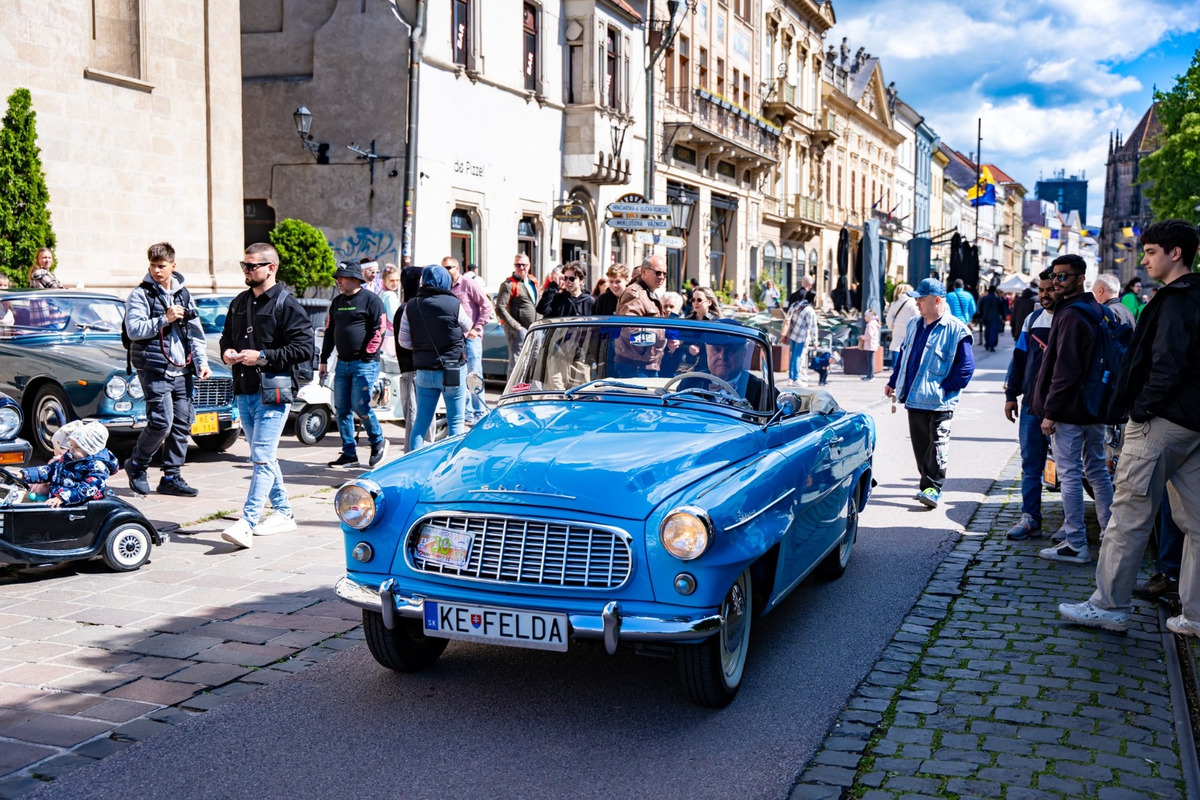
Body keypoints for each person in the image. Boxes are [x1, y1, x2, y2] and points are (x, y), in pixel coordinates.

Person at [1058, 219, 1200, 634]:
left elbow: (1166, 364)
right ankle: (1194, 614)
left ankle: (1108, 605)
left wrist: (1140, 411)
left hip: (1162, 423)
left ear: (1176, 253)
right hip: (1191, 424)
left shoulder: (1175, 300)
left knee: (1128, 516)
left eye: (1152, 251)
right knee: (1195, 522)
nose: (1144, 259)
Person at [219, 243, 315, 549]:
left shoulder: (288, 304)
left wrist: (261, 356)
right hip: (244, 390)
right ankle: (284, 512)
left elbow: (304, 349)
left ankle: (247, 522)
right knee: (264, 456)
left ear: (270, 268)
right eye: (243, 265)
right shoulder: (239, 302)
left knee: (260, 457)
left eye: (252, 266)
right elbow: (225, 337)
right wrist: (228, 352)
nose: (246, 271)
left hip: (274, 391)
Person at [1029, 254, 1114, 565]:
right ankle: (1110, 534)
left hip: (1071, 410)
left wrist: (1050, 412)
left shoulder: (1073, 315)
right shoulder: (1097, 310)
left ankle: (1075, 542)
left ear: (1081, 279)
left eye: (1063, 276)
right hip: (1094, 406)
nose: (1056, 282)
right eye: (1054, 276)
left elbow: (1066, 369)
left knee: (1070, 474)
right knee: (1097, 472)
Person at [123, 242, 211, 497]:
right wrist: (165, 318)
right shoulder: (140, 294)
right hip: (154, 368)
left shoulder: (184, 294)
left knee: (183, 423)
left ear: (173, 266)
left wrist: (202, 362)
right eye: (152, 265)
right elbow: (134, 330)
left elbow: (196, 333)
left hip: (181, 370)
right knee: (161, 423)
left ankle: (171, 477)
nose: (156, 271)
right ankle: (137, 465)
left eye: (161, 266)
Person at [885, 278, 975, 509]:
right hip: (914, 399)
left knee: (937, 447)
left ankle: (932, 488)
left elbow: (966, 368)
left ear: (936, 300)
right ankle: (926, 485)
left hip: (939, 403)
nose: (917, 304)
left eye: (921, 300)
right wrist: (893, 381)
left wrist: (944, 389)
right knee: (921, 447)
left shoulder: (956, 329)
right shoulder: (915, 324)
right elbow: (904, 357)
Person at [1003, 273, 1057, 540]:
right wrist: (1011, 394)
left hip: (1064, 407)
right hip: (1031, 405)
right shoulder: (1033, 319)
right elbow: (1019, 358)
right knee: (1031, 464)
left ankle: (1073, 527)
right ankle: (1030, 516)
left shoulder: (1071, 318)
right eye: (1041, 289)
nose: (1045, 294)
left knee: (1070, 469)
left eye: (1050, 289)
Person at [321, 261, 389, 470]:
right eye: (337, 278)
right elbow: (330, 332)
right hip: (342, 363)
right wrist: (324, 360)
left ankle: (378, 440)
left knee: (360, 405)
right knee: (341, 408)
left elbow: (380, 330)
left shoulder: (372, 300)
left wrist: (367, 356)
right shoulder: (336, 302)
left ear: (354, 278)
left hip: (364, 364)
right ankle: (349, 453)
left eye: (342, 277)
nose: (338, 281)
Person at [397, 265, 472, 449]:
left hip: (424, 372)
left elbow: (403, 341)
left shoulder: (411, 305)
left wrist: (423, 347)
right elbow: (468, 326)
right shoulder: (453, 303)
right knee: (456, 422)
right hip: (452, 370)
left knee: (421, 423)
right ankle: (454, 465)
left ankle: (413, 464)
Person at [19, 421, 117, 506]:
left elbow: (87, 489)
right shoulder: (70, 458)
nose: (71, 450)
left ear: (91, 448)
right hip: (62, 501)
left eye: (77, 447)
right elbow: (50, 470)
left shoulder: (97, 467)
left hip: (78, 507)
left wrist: (62, 498)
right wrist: (24, 474)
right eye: (71, 445)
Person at [444, 255, 493, 425]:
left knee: (474, 374)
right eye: (444, 268)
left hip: (470, 338)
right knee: (459, 376)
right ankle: (467, 413)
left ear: (457, 268)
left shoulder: (468, 284)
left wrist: (477, 328)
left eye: (449, 267)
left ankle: (480, 412)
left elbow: (486, 306)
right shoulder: (444, 287)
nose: (446, 271)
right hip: (454, 340)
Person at [394, 265, 432, 451]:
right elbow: (406, 342)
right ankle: (413, 459)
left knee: (423, 417)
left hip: (419, 369)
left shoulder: (413, 306)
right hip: (412, 370)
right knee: (415, 418)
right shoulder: (407, 309)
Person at [613, 254, 667, 377]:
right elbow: (630, 330)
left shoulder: (649, 293)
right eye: (658, 273)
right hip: (634, 365)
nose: (662, 277)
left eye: (664, 273)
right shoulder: (634, 293)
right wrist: (662, 333)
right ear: (643, 272)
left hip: (647, 364)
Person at [495, 254, 538, 371]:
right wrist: (516, 326)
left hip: (534, 328)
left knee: (536, 361)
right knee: (517, 364)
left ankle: (532, 389)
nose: (521, 267)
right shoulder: (508, 284)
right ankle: (514, 389)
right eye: (518, 265)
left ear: (529, 265)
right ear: (514, 266)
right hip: (518, 330)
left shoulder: (532, 281)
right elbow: (499, 308)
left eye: (524, 265)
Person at [783, 290, 817, 387]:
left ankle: (791, 378)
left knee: (793, 356)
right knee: (797, 356)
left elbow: (788, 316)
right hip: (801, 335)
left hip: (792, 333)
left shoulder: (795, 305)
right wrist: (815, 340)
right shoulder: (809, 310)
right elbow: (812, 326)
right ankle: (796, 378)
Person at [886, 283, 918, 363]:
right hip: (910, 328)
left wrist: (891, 327)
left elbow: (889, 318)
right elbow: (917, 316)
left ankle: (895, 370)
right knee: (910, 348)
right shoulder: (912, 302)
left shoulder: (894, 303)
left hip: (897, 328)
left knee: (896, 347)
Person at [379, 264, 403, 358]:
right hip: (390, 335)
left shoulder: (382, 292)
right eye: (392, 280)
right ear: (384, 281)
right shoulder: (390, 295)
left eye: (397, 280)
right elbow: (394, 317)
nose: (395, 283)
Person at [977, 285, 1005, 352]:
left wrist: (981, 316)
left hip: (986, 317)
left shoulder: (984, 298)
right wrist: (1003, 317)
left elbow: (980, 309)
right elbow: (1001, 309)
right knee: (993, 332)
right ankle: (992, 346)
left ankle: (987, 344)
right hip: (995, 317)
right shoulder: (997, 299)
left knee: (987, 331)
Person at [859, 309, 881, 380]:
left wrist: (862, 337)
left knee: (870, 361)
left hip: (870, 345)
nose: (865, 317)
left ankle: (870, 376)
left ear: (869, 317)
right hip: (872, 344)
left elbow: (869, 336)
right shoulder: (874, 323)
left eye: (866, 316)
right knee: (870, 361)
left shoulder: (870, 324)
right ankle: (870, 375)